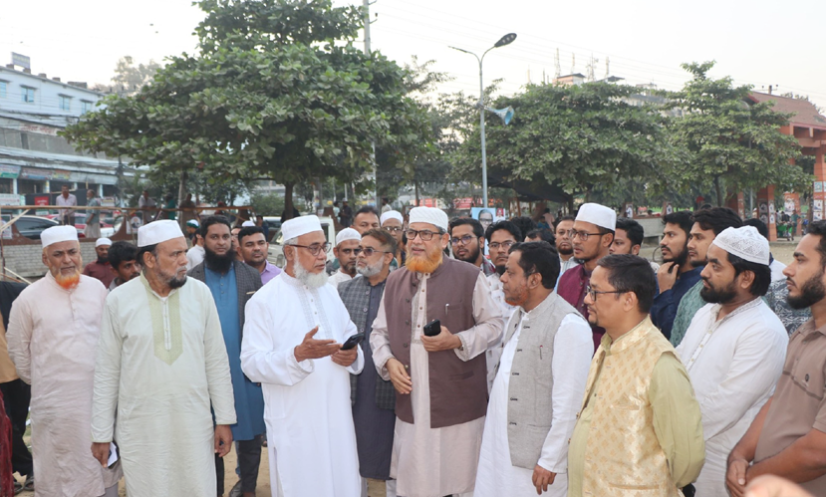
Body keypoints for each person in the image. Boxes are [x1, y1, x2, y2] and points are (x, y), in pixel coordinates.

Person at [90, 220, 236, 497]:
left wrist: (225, 419)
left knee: (197, 487)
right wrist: (101, 433)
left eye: (184, 252)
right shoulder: (119, 300)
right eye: (175, 254)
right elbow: (107, 371)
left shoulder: (200, 294)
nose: (184, 260)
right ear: (149, 259)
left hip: (194, 423)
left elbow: (216, 361)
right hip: (141, 427)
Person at [370, 206, 504, 497]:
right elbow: (378, 332)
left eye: (425, 234)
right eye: (412, 234)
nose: (417, 241)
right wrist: (388, 362)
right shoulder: (395, 280)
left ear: (444, 240)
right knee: (415, 478)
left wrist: (456, 341)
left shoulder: (469, 276)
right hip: (411, 396)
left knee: (461, 478)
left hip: (457, 398)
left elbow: (495, 326)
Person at [241, 215, 364, 497]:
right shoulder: (263, 301)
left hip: (337, 418)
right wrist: (296, 355)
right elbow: (251, 364)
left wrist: (352, 356)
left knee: (342, 480)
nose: (323, 256)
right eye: (313, 248)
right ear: (289, 252)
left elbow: (349, 335)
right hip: (296, 422)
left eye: (324, 247)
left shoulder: (330, 292)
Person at [568, 254, 705, 497]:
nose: (587, 299)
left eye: (596, 292)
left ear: (628, 300)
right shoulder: (606, 346)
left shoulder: (660, 362)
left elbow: (686, 458)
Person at [7, 225, 121, 497]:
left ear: (80, 254)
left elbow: (112, 338)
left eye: (72, 252)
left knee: (103, 468)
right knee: (63, 472)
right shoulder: (28, 298)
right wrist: (47, 382)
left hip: (98, 400)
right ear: (45, 259)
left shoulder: (97, 289)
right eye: (58, 254)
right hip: (56, 407)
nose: (67, 260)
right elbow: (18, 351)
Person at [676, 226, 787, 496]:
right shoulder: (706, 313)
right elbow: (675, 367)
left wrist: (666, 434)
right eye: (707, 263)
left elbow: (723, 407)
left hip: (719, 469)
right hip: (680, 453)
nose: (703, 272)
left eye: (716, 266)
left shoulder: (764, 331)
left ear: (746, 277)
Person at [475, 242, 592, 497]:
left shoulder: (569, 326)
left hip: (537, 464)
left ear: (534, 279)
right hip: (500, 450)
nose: (502, 278)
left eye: (511, 272)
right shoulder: (519, 315)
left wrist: (551, 460)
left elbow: (570, 405)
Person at [726, 220, 826, 496]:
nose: (787, 269)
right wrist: (740, 456)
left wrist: (751, 477)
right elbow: (777, 400)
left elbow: (819, 452)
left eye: (801, 260)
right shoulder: (804, 333)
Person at [189, 216, 265, 497]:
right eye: (214, 237)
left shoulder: (250, 275)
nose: (221, 243)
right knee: (211, 437)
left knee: (251, 435)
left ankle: (248, 489)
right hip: (207, 372)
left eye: (226, 237)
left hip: (244, 369)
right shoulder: (191, 278)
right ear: (202, 240)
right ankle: (215, 490)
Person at [338, 229, 399, 497]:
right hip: (352, 390)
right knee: (351, 458)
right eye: (358, 250)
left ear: (388, 257)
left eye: (368, 250)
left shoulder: (402, 288)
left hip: (391, 389)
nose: (359, 255)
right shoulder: (344, 290)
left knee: (395, 458)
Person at [670, 207, 744, 346]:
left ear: (723, 239)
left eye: (699, 237)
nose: (690, 245)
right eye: (690, 237)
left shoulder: (744, 296)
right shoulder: (692, 294)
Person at [557, 203, 615, 352]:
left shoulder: (620, 281)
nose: (575, 240)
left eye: (584, 235)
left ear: (607, 239)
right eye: (574, 233)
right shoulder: (567, 277)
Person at [0, 281, 32, 494]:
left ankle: (7, 472)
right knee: (6, 427)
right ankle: (30, 468)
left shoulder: (15, 292)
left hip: (18, 374)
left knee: (15, 428)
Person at [650, 210, 700, 339]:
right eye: (664, 235)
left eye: (671, 235)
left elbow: (675, 336)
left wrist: (665, 291)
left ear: (690, 239)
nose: (663, 242)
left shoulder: (701, 283)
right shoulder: (662, 277)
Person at [484, 220, 523, 389]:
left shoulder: (531, 285)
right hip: (488, 377)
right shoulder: (481, 286)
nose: (500, 250)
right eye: (494, 245)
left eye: (507, 244)